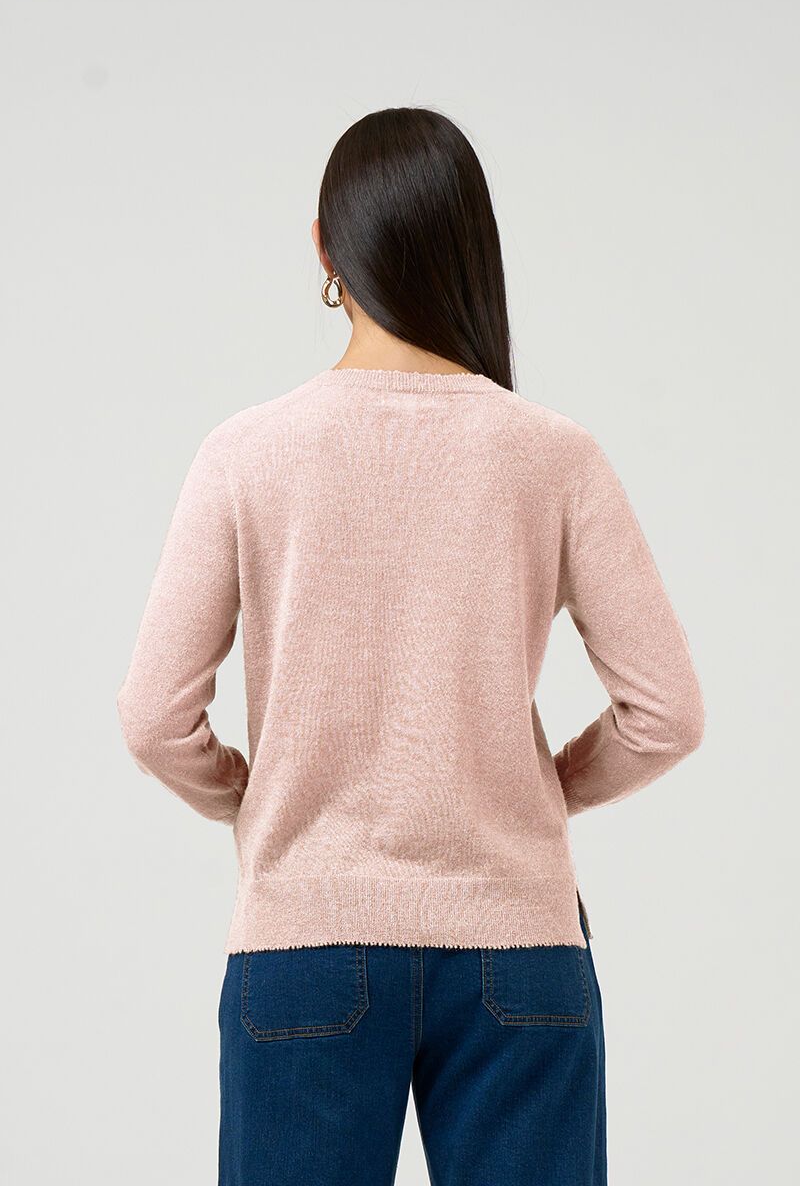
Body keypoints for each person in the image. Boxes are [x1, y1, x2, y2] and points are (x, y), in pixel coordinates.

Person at [116, 106, 705, 1186]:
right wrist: (539, 791)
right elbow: (667, 714)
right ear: (469, 249)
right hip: (519, 950)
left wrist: (256, 800)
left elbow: (153, 719)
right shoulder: (554, 456)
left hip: (303, 941)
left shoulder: (247, 454)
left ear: (325, 250)